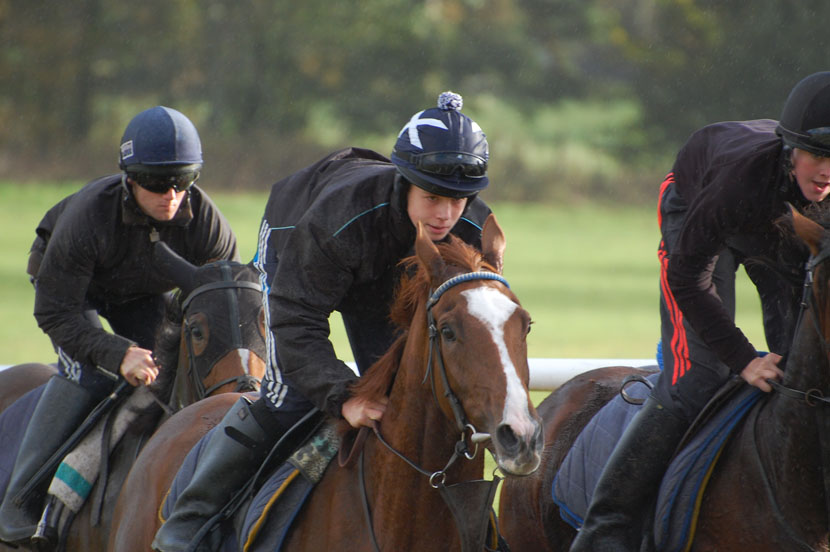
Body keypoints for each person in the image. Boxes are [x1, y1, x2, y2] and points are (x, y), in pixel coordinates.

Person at [152, 91, 494, 551]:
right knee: (287, 396)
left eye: (459, 199)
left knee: (414, 397)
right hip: (302, 242)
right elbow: (296, 322)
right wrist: (343, 398)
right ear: (405, 183)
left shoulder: (471, 227)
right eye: (432, 197)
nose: (446, 215)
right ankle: (189, 521)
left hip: (384, 274)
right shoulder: (338, 220)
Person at [570, 72, 830, 551]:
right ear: (791, 150)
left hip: (778, 229)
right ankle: (604, 527)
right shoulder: (739, 184)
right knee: (696, 376)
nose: (826, 172)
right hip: (697, 210)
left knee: (804, 368)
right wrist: (744, 357)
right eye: (817, 155)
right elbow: (688, 278)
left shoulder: (819, 189)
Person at [0, 106, 239, 546]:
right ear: (129, 177)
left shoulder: (209, 226)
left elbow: (219, 310)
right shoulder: (89, 217)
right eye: (155, 183)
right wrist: (116, 352)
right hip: (72, 291)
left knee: (160, 374)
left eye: (183, 181)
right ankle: (21, 496)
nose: (170, 195)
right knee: (93, 372)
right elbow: (55, 314)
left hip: (142, 290)